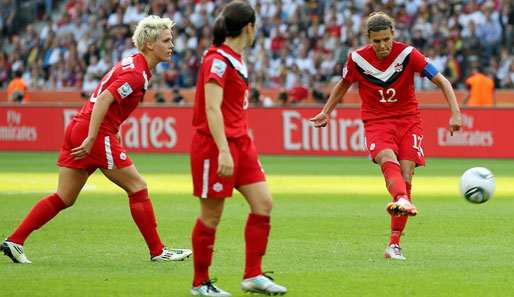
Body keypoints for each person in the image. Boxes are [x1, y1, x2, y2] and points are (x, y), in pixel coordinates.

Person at [1, 15, 192, 264]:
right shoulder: (137, 73)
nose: (172, 46)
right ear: (149, 44)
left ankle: (15, 241)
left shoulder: (132, 63)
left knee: (64, 197)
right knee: (138, 187)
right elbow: (104, 100)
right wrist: (93, 137)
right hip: (94, 131)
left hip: (78, 126)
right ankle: (158, 251)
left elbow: (107, 99)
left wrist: (107, 130)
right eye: (166, 40)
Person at [310, 12, 462, 260]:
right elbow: (344, 83)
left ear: (393, 35)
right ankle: (401, 199)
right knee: (386, 158)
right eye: (377, 41)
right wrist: (326, 111)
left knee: (407, 172)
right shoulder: (357, 59)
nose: (382, 45)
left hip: (409, 121)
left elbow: (443, 81)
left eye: (386, 39)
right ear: (368, 38)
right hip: (377, 122)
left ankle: (394, 244)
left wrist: (455, 113)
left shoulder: (408, 54)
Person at [189, 1, 287, 296]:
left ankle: (253, 276)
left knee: (263, 203)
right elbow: (211, 107)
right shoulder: (217, 59)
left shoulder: (236, 58)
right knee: (212, 215)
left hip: (242, 143)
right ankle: (200, 283)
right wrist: (223, 150)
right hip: (215, 145)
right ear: (249, 27)